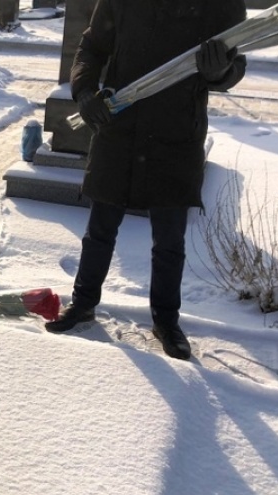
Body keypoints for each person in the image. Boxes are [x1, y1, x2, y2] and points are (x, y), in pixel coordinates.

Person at [46, 0, 247, 361]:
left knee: (169, 239)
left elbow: (235, 62)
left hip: (176, 133)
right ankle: (83, 303)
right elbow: (92, 46)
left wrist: (220, 72)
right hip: (119, 125)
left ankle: (166, 321)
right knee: (99, 229)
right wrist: (85, 91)